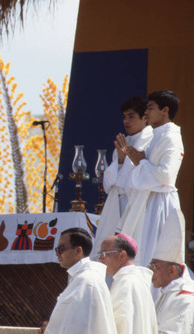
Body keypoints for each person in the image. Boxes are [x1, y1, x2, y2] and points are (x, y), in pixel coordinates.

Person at [116, 90, 184, 266]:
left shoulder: (172, 138)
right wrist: (137, 159)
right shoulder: (156, 135)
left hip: (161, 204)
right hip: (148, 202)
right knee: (143, 252)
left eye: (151, 108)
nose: (146, 113)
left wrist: (141, 162)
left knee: (156, 253)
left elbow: (167, 176)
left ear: (165, 110)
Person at [90, 97, 152, 259]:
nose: (126, 121)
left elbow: (136, 180)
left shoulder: (150, 141)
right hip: (117, 205)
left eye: (131, 116)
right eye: (124, 117)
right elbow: (109, 185)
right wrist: (120, 160)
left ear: (144, 117)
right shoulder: (125, 141)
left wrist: (125, 160)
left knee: (133, 252)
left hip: (138, 205)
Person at [41, 228, 116, 334]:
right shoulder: (81, 278)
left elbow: (80, 327)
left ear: (78, 251)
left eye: (61, 249)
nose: (57, 254)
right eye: (56, 249)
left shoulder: (87, 281)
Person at [98, 234, 157, 334]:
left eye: (104, 254)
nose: (100, 259)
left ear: (122, 255)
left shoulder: (126, 284)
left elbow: (121, 327)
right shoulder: (136, 281)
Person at [149, 256, 194, 333]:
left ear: (172, 270)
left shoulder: (184, 298)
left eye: (154, 266)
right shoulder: (167, 293)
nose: (150, 271)